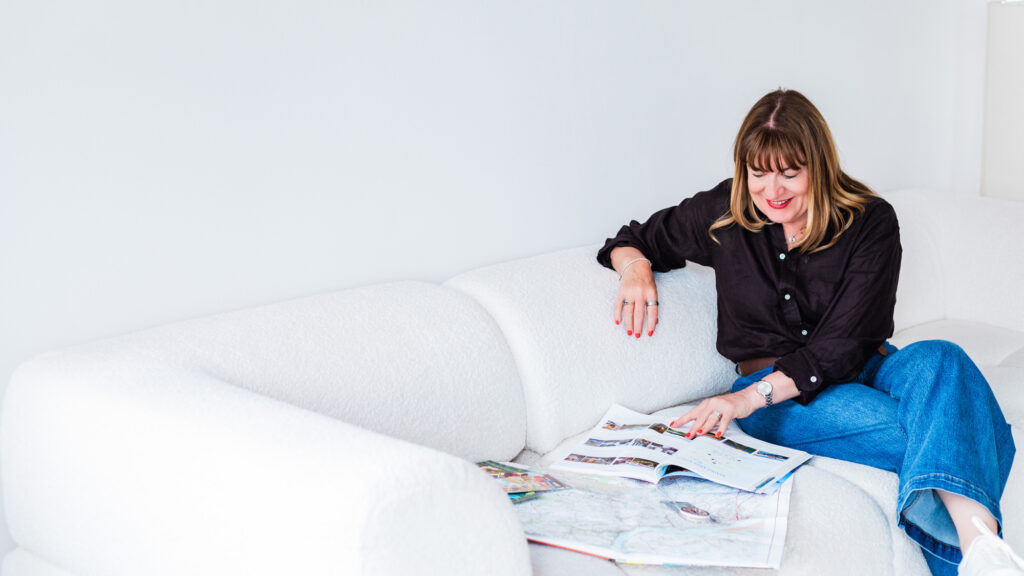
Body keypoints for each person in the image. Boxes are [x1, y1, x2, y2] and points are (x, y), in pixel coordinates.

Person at [597, 88, 1019, 576]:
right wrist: (634, 268)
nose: (772, 190)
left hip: (866, 364)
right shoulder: (724, 211)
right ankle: (984, 555)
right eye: (758, 173)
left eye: (789, 173)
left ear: (818, 166)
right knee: (952, 427)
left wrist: (744, 400)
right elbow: (631, 238)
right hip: (780, 400)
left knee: (943, 358)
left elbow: (844, 344)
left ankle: (981, 550)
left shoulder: (869, 221)